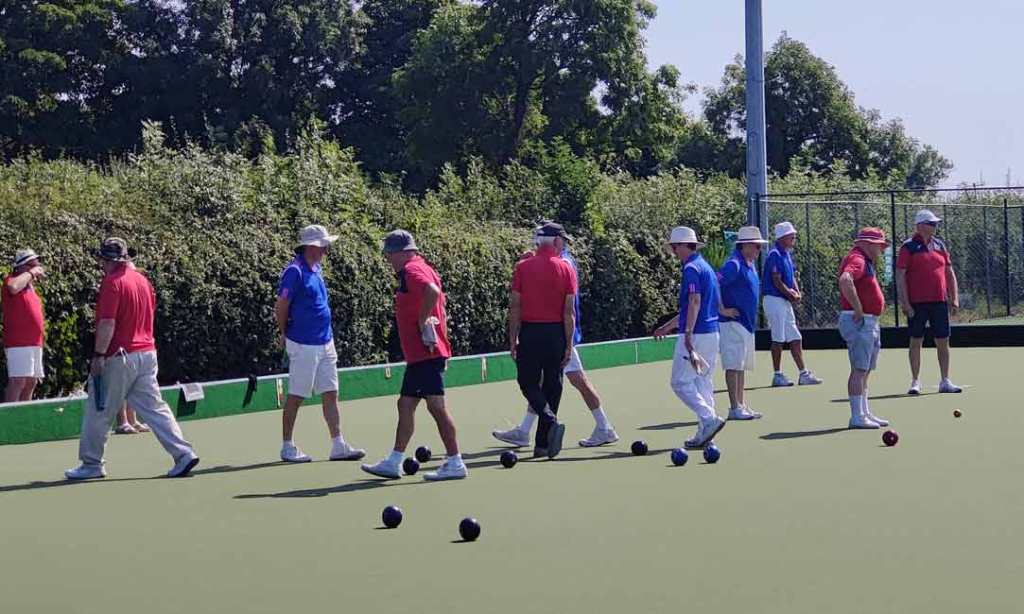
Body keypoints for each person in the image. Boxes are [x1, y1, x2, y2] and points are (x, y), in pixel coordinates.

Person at [65, 238, 200, 480]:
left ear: (110, 261)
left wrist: (99, 355)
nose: (102, 265)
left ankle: (91, 464)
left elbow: (107, 323)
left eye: (103, 260)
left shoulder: (112, 283)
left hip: (119, 357)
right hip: (147, 354)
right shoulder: (143, 281)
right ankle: (183, 454)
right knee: (156, 408)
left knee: (99, 409)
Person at [492, 227, 618, 448]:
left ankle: (604, 427)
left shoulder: (564, 262)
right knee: (546, 383)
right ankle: (525, 430)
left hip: (562, 332)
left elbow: (554, 298)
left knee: (576, 380)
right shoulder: (560, 261)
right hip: (559, 332)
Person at [361, 230, 467, 481]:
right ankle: (394, 461)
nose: (387, 259)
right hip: (421, 354)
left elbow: (432, 292)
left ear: (402, 252)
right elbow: (438, 303)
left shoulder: (411, 270)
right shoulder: (421, 268)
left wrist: (422, 321)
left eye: (389, 254)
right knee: (406, 404)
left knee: (436, 407)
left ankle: (455, 462)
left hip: (426, 353)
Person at [274, 224, 364, 463]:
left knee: (331, 393)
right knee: (297, 395)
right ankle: (287, 446)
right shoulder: (294, 271)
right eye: (323, 245)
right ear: (311, 246)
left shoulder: (317, 268)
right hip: (303, 343)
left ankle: (338, 445)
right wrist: (284, 333)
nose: (326, 250)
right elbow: (281, 305)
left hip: (326, 341)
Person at [507, 222, 578, 459]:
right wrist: (568, 343)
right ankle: (543, 444)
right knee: (553, 386)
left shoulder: (523, 267)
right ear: (556, 241)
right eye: (562, 241)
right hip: (555, 333)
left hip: (530, 332)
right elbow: (569, 312)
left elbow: (515, 306)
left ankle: (547, 424)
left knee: (527, 382)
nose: (563, 245)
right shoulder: (566, 268)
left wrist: (513, 338)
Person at [654, 226, 726, 450]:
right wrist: (667, 327)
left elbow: (695, 301)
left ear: (686, 245)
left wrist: (687, 334)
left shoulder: (691, 269)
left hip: (697, 334)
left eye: (675, 247)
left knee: (679, 382)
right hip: (711, 333)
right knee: (703, 381)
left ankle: (709, 418)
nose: (674, 251)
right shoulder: (705, 267)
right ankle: (706, 432)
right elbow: (692, 307)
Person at [895, 209, 962, 395]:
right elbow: (900, 276)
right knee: (916, 340)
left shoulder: (940, 245)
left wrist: (954, 298)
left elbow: (949, 272)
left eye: (935, 223)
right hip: (916, 303)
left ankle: (945, 381)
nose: (935, 226)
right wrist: (905, 303)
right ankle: (915, 381)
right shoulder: (908, 247)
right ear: (920, 226)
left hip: (939, 302)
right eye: (931, 223)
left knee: (943, 340)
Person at [837, 228, 891, 429]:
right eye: (880, 246)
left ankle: (864, 413)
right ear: (868, 244)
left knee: (865, 370)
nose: (882, 250)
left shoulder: (865, 261)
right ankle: (856, 416)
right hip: (860, 322)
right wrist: (858, 307)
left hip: (869, 322)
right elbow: (845, 280)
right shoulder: (858, 259)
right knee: (859, 370)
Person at [718, 226, 769, 420]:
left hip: (746, 324)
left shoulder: (749, 264)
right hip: (732, 323)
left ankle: (741, 404)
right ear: (745, 245)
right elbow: (714, 284)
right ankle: (734, 407)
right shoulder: (733, 264)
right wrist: (722, 309)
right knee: (733, 365)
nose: (759, 250)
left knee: (741, 366)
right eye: (756, 246)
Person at [762, 222, 822, 387]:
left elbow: (792, 276)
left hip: (784, 301)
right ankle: (777, 375)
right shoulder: (774, 254)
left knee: (795, 337)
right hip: (774, 300)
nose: (794, 238)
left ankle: (803, 374)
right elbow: (776, 280)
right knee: (778, 338)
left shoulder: (786, 254)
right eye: (791, 236)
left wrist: (796, 291)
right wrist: (791, 294)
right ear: (782, 237)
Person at [3, 249, 46, 402]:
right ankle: (9, 415)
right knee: (18, 381)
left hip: (34, 343)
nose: (37, 267)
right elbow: (13, 287)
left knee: (31, 382)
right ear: (22, 266)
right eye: (32, 264)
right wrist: (32, 273)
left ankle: (24, 414)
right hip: (18, 342)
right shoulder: (11, 280)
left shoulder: (30, 288)